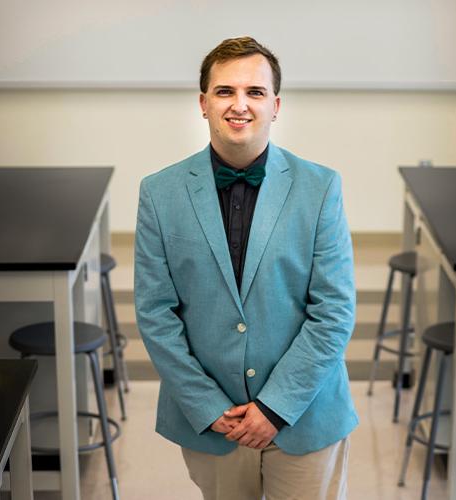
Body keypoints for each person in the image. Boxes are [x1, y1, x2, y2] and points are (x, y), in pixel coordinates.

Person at [134, 36, 358, 500]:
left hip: (305, 415)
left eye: (255, 92)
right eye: (225, 91)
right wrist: (206, 404)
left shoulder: (320, 188)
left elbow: (334, 310)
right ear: (203, 103)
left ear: (276, 106)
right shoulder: (159, 193)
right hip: (215, 422)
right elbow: (155, 312)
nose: (240, 105)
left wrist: (275, 407)